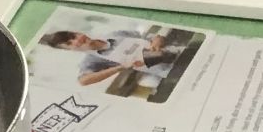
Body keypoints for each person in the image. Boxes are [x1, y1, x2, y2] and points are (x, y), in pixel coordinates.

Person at [40, 25, 169, 88]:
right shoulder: (92, 60)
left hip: (177, 52)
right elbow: (83, 81)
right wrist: (120, 67)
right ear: (70, 50)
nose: (77, 41)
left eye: (74, 36)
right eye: (69, 44)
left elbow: (155, 37)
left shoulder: (117, 34)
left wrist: (156, 42)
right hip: (168, 72)